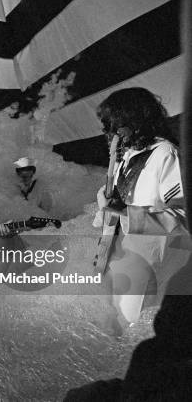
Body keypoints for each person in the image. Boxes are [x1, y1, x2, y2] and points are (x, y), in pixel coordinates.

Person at [94, 87, 188, 334]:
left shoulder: (166, 154)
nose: (110, 133)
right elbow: (114, 208)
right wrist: (104, 206)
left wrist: (126, 212)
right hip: (115, 261)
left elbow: (182, 219)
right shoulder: (126, 156)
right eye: (107, 126)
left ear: (136, 121)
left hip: (146, 266)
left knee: (131, 332)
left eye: (115, 126)